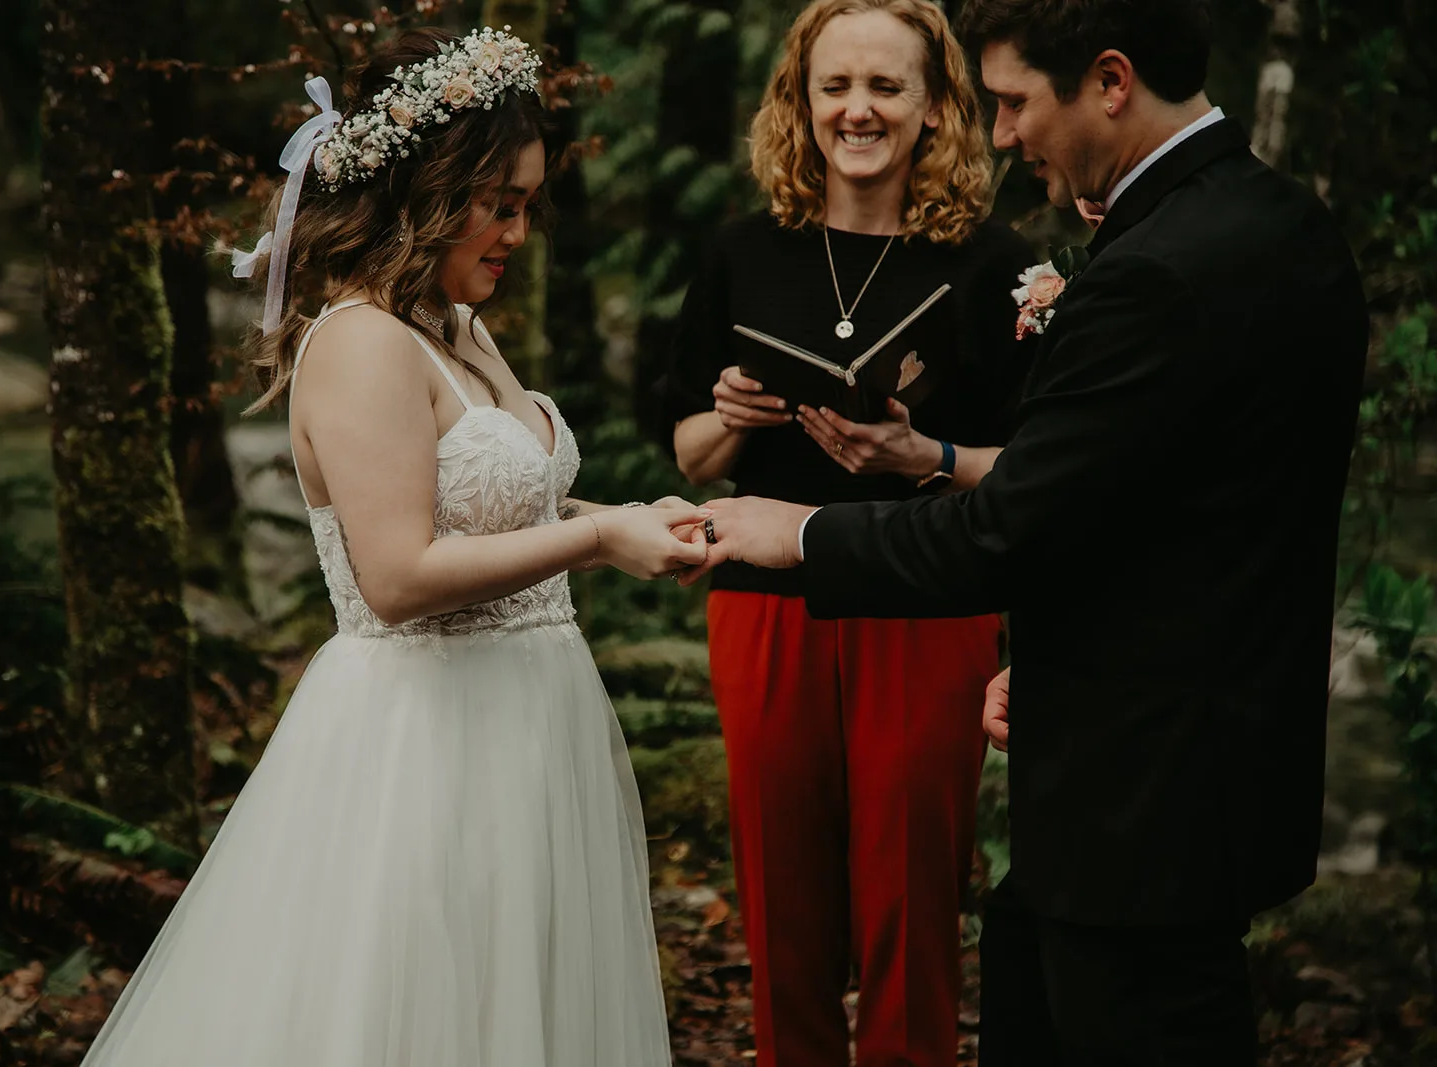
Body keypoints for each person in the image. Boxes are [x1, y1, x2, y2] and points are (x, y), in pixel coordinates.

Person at [684, 0, 1369, 1063]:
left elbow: (1012, 523)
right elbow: (1159, 506)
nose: (1002, 133)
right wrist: (1055, 652)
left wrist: (801, 532)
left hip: (1141, 807)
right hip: (1173, 754)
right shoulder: (1277, 221)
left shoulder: (1156, 269)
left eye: (1009, 102)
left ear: (1106, 81)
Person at [78, 27, 702, 1067]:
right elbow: (399, 573)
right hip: (424, 741)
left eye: (525, 203)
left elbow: (498, 505)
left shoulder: (456, 326)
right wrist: (596, 538)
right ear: (421, 191)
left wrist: (636, 516)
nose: (515, 230)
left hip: (532, 721)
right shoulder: (364, 340)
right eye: (495, 202)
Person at [660, 2, 1034, 1063]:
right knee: (782, 894)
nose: (856, 110)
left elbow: (1046, 472)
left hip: (929, 605)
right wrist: (727, 417)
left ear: (932, 108)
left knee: (912, 894)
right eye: (835, 87)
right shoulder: (740, 251)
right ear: (800, 100)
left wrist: (925, 458)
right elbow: (686, 453)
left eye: (884, 87)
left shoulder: (994, 264)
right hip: (762, 608)